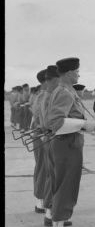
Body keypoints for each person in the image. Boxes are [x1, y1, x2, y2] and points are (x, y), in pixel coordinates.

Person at [46, 57, 95, 227]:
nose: (78, 74)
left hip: (65, 143)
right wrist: (84, 124)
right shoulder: (65, 93)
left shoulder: (62, 90)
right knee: (66, 186)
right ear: (68, 73)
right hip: (67, 144)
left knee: (60, 184)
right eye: (77, 71)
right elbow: (56, 123)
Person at [40, 65, 60, 226]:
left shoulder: (45, 95)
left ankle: (49, 212)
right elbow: (52, 122)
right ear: (55, 79)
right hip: (53, 138)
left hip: (47, 137)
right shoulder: (50, 96)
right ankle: (49, 213)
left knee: (51, 176)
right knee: (53, 177)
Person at [31, 69, 48, 214]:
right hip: (42, 136)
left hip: (37, 135)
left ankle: (40, 200)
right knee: (44, 168)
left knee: (41, 167)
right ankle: (41, 201)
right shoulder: (44, 96)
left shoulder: (39, 95)